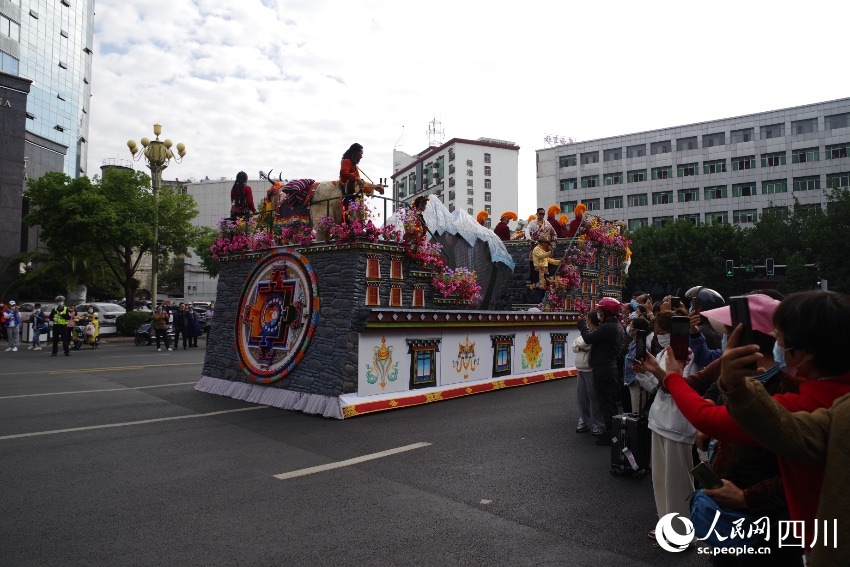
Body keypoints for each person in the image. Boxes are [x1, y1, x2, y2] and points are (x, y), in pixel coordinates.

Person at [657, 291, 850, 560]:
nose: (777, 344)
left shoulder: (801, 398)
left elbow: (715, 419)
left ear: (805, 352)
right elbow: (713, 391)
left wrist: (672, 378)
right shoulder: (820, 392)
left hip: (794, 534)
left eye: (781, 338)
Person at [632, 309, 698, 540]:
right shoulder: (661, 355)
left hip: (678, 424)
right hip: (658, 420)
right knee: (660, 479)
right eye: (657, 333)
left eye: (662, 333)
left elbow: (679, 387)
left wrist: (660, 373)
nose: (659, 337)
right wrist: (643, 373)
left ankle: (681, 532)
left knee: (678, 482)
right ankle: (665, 521)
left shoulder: (688, 355)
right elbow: (658, 387)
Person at [576, 297, 625, 445]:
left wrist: (582, 324)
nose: (599, 312)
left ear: (607, 311)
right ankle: (611, 434)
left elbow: (588, 338)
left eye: (600, 310)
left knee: (606, 404)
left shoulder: (608, 327)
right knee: (607, 403)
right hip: (607, 369)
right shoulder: (614, 326)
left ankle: (610, 435)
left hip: (604, 370)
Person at [573, 311, 605, 436]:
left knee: (594, 398)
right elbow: (574, 345)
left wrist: (578, 346)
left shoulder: (596, 333)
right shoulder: (586, 333)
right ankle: (583, 422)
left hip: (590, 369)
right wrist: (578, 346)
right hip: (580, 369)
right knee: (582, 398)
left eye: (587, 318)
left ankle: (598, 425)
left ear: (590, 320)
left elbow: (583, 343)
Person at [530, 235, 560, 304]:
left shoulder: (542, 250)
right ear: (542, 242)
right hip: (539, 270)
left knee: (544, 288)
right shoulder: (536, 249)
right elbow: (541, 256)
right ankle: (537, 304)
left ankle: (541, 303)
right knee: (539, 288)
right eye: (546, 243)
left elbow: (548, 259)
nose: (546, 244)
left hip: (544, 271)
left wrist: (558, 262)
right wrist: (550, 252)